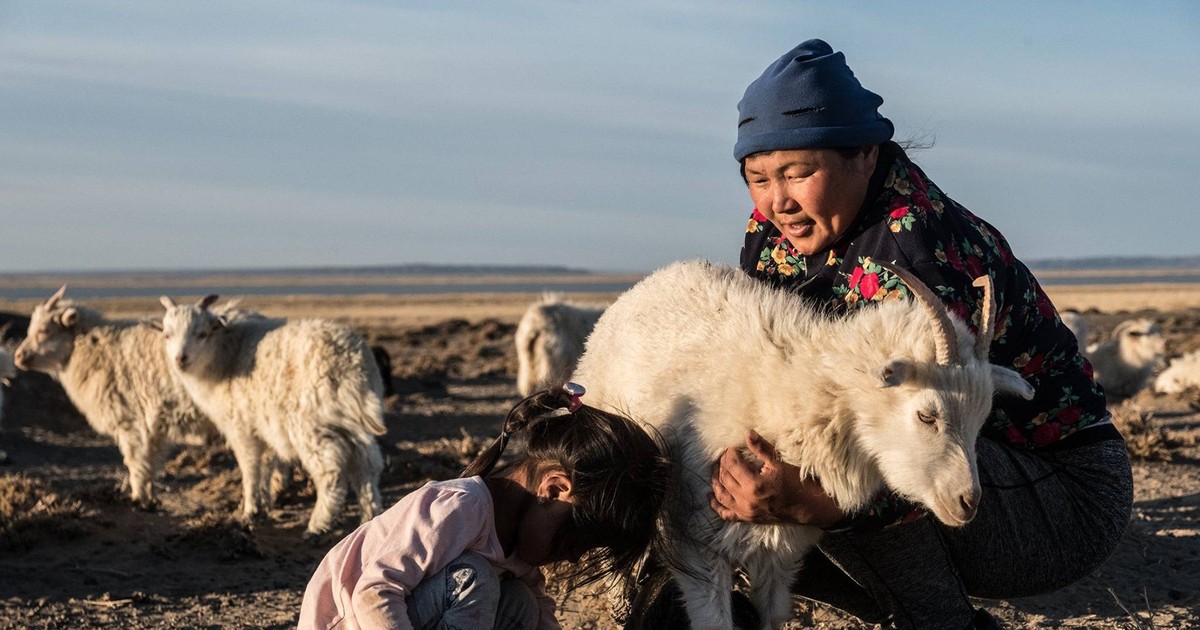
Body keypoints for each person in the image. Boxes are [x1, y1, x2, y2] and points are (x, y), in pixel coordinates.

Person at [628, 39, 1134, 630]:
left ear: (865, 155)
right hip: (979, 471)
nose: (776, 202)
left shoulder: (919, 258)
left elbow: (905, 439)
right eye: (758, 177)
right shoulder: (780, 232)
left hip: (1059, 498)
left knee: (846, 448)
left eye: (798, 173)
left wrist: (806, 500)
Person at [299, 383, 670, 630]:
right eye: (571, 543)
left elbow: (540, 614)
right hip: (352, 621)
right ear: (554, 489)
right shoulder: (459, 509)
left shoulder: (519, 546)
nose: (571, 559)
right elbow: (374, 593)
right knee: (473, 578)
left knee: (522, 603)